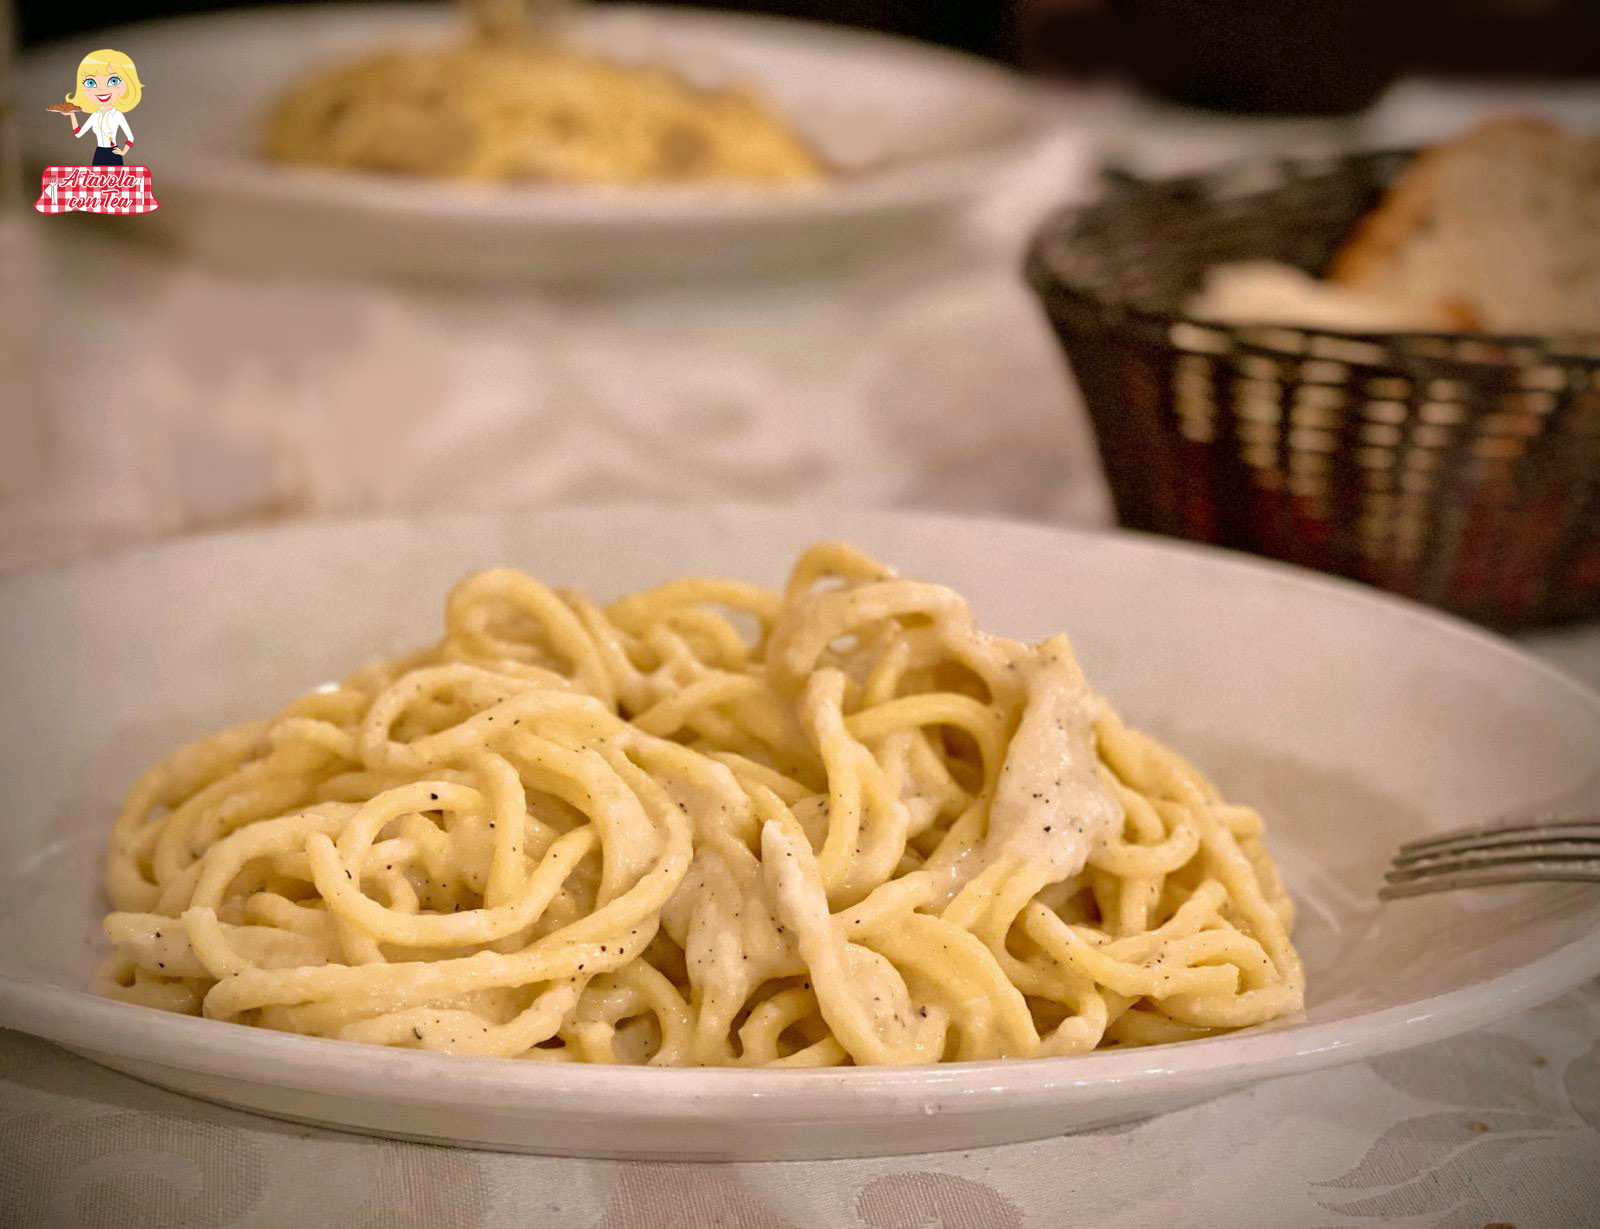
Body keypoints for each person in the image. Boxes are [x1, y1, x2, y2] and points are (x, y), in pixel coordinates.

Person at [56, 48, 144, 166]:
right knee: (97, 184)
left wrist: (122, 152)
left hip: (113, 153)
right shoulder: (95, 115)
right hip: (99, 153)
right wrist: (72, 115)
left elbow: (130, 137)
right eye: (91, 83)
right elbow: (78, 134)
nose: (101, 89)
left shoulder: (117, 115)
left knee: (115, 184)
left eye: (113, 81)